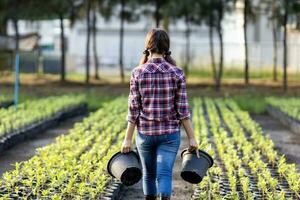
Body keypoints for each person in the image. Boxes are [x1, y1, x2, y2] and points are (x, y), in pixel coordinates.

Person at [121, 28, 199, 200]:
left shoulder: (137, 73)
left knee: (149, 174)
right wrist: (192, 138)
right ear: (166, 47)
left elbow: (133, 110)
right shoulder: (177, 73)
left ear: (148, 47)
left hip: (145, 135)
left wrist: (127, 139)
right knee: (164, 174)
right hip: (169, 135)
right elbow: (183, 110)